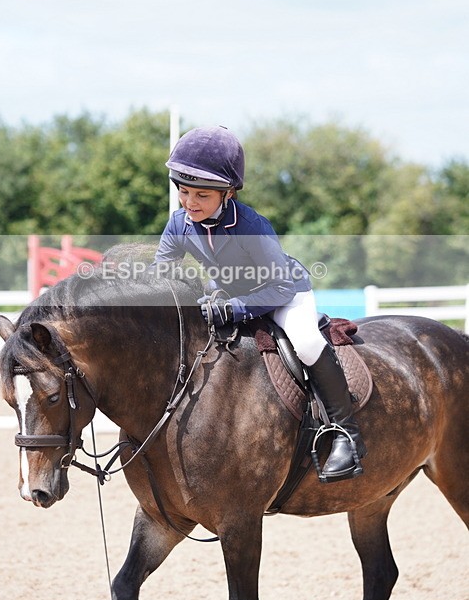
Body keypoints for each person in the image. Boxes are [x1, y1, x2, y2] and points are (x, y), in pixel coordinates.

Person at [153, 125, 366, 482]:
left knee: (307, 343)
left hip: (283, 293)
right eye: (183, 191)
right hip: (229, 293)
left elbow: (280, 286)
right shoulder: (179, 224)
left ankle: (347, 433)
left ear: (228, 193)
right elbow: (160, 275)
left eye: (202, 194)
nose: (190, 203)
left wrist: (234, 307)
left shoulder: (252, 225)